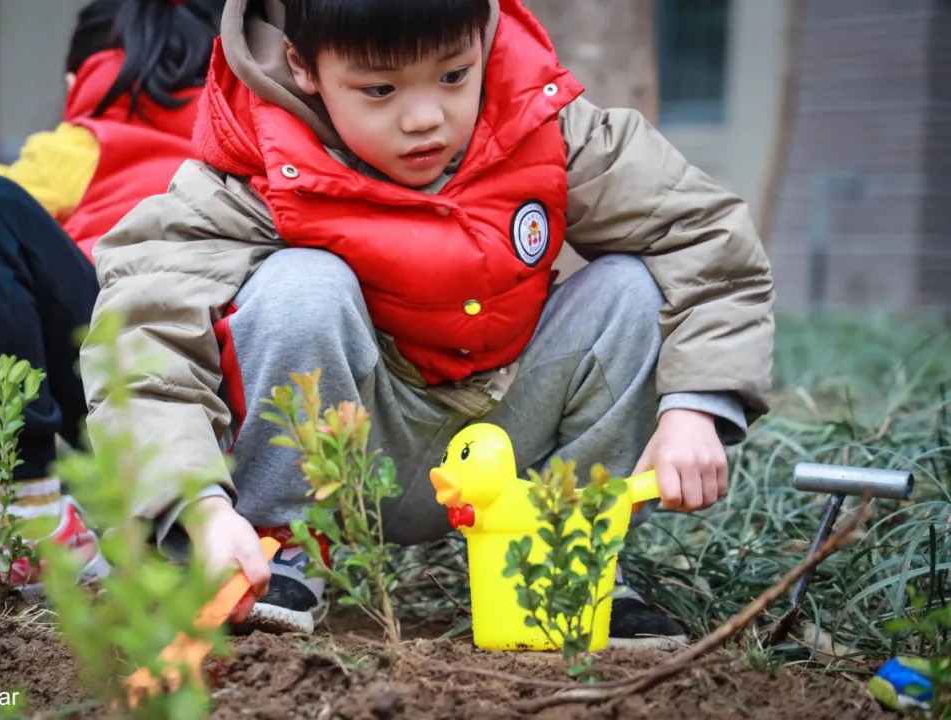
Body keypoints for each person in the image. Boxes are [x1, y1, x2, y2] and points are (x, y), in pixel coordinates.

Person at [81, 0, 775, 645]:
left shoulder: (546, 125)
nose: (424, 118)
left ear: (485, 38)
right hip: (349, 444)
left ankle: (564, 557)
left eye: (453, 75)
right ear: (302, 65)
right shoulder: (256, 167)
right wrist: (198, 505)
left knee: (630, 289)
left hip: (510, 427)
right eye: (379, 90)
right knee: (302, 286)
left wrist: (694, 406)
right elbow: (146, 336)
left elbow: (704, 234)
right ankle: (281, 548)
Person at [0, 0, 219, 598]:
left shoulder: (91, 146)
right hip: (220, 422)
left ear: (73, 83)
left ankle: (21, 520)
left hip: (120, 392)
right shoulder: (248, 147)